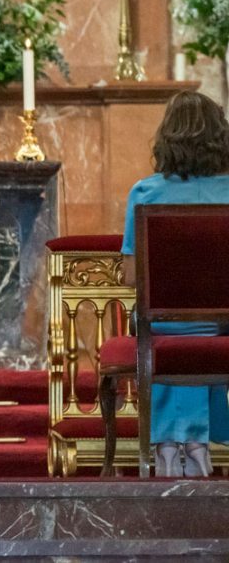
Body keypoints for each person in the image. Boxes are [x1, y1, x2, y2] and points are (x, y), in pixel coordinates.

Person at [122, 90, 229, 477]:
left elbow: (132, 277)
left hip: (163, 325)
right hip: (221, 328)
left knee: (157, 323)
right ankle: (196, 443)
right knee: (203, 331)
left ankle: (169, 445)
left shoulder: (146, 193)